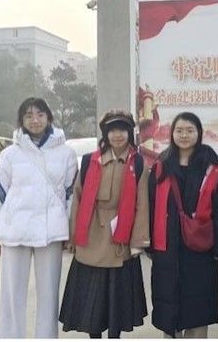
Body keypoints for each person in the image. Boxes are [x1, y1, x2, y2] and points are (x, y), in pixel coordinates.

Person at [0, 97, 78, 338]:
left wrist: (70, 231)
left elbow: (71, 195)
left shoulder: (66, 154)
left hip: (51, 232)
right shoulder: (10, 154)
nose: (35, 120)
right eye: (29, 115)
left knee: (49, 295)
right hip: (15, 230)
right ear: (21, 120)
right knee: (11, 295)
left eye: (40, 114)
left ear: (49, 118)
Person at [59, 110, 150, 339]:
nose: (117, 135)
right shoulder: (90, 161)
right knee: (92, 300)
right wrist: (73, 236)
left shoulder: (138, 163)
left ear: (130, 133)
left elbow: (142, 204)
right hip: (91, 235)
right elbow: (78, 200)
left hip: (121, 236)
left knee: (116, 301)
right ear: (105, 134)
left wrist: (138, 241)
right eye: (112, 130)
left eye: (122, 130)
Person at [148, 112, 218, 338]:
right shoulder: (162, 166)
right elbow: (151, 206)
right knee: (170, 312)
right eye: (179, 130)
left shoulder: (211, 168)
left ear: (199, 133)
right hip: (168, 249)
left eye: (189, 130)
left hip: (201, 251)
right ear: (172, 134)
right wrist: (151, 245)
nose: (184, 135)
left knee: (198, 311)